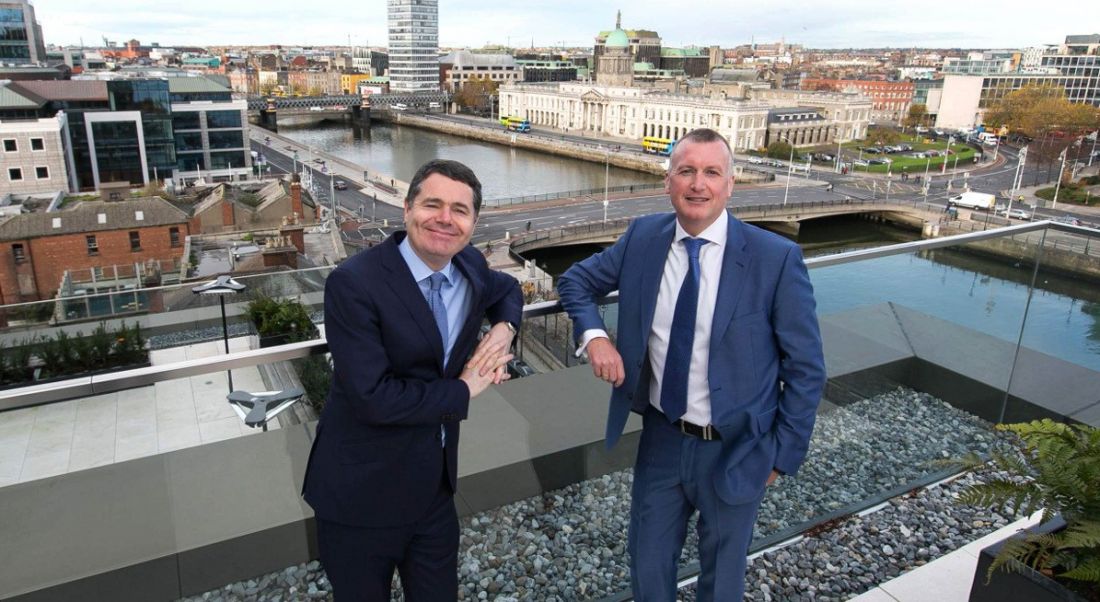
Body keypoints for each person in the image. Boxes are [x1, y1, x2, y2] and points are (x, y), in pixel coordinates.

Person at [557, 128, 826, 601]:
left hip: (738, 445)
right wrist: (596, 337)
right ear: (668, 182)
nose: (697, 184)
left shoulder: (775, 258)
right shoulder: (643, 237)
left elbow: (805, 368)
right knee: (648, 563)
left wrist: (783, 454)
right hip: (662, 436)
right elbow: (575, 282)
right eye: (686, 171)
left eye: (710, 172)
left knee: (722, 578)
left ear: (729, 184)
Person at [302, 159, 523, 600]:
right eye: (433, 204)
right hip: (360, 496)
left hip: (434, 493)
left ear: (473, 222)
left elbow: (508, 291)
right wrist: (463, 389)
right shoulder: (354, 283)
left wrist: (505, 329)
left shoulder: (470, 265)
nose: (445, 218)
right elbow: (372, 397)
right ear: (406, 210)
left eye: (460, 210)